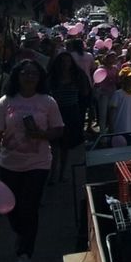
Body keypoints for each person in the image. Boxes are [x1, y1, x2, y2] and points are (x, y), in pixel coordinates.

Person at [0, 61, 64, 262]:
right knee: (13, 209)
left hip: (38, 163)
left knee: (30, 206)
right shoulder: (5, 102)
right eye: (25, 73)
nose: (29, 77)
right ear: (17, 76)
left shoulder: (48, 102)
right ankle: (21, 233)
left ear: (40, 78)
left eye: (34, 74)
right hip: (9, 163)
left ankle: (25, 253)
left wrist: (41, 135)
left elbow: (58, 130)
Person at [47, 51, 88, 182]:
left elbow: (85, 92)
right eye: (63, 61)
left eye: (68, 61)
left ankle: (62, 173)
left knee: (66, 146)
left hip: (71, 112)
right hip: (55, 112)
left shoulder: (77, 76)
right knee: (54, 146)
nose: (65, 64)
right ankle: (53, 173)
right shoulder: (53, 77)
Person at [107, 67, 131, 143]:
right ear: (124, 80)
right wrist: (112, 129)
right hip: (119, 131)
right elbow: (111, 113)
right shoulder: (117, 94)